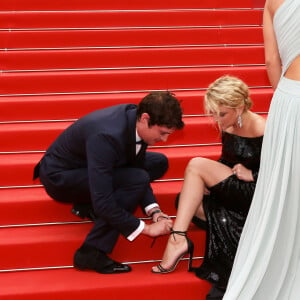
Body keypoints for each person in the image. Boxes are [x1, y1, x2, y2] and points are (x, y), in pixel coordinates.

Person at [33, 91, 184, 274]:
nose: (165, 140)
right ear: (145, 119)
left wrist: (155, 211)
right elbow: (105, 201)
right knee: (133, 181)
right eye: (162, 133)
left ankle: (86, 206)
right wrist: (147, 229)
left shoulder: (135, 120)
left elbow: (136, 166)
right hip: (61, 177)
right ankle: (91, 252)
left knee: (158, 162)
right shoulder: (107, 135)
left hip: (93, 164)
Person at [151, 76, 266, 300]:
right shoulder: (229, 123)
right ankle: (236, 226)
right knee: (185, 200)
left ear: (240, 106)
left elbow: (286, 173)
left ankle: (178, 239)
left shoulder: (263, 128)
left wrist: (252, 174)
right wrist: (209, 181)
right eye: (213, 113)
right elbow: (227, 161)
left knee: (195, 165)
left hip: (257, 194)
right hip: (236, 193)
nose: (217, 120)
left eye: (222, 114)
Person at [223, 0, 300, 299]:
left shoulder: (272, 1)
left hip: (287, 97)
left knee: (283, 186)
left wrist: (286, 99)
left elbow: (272, 63)